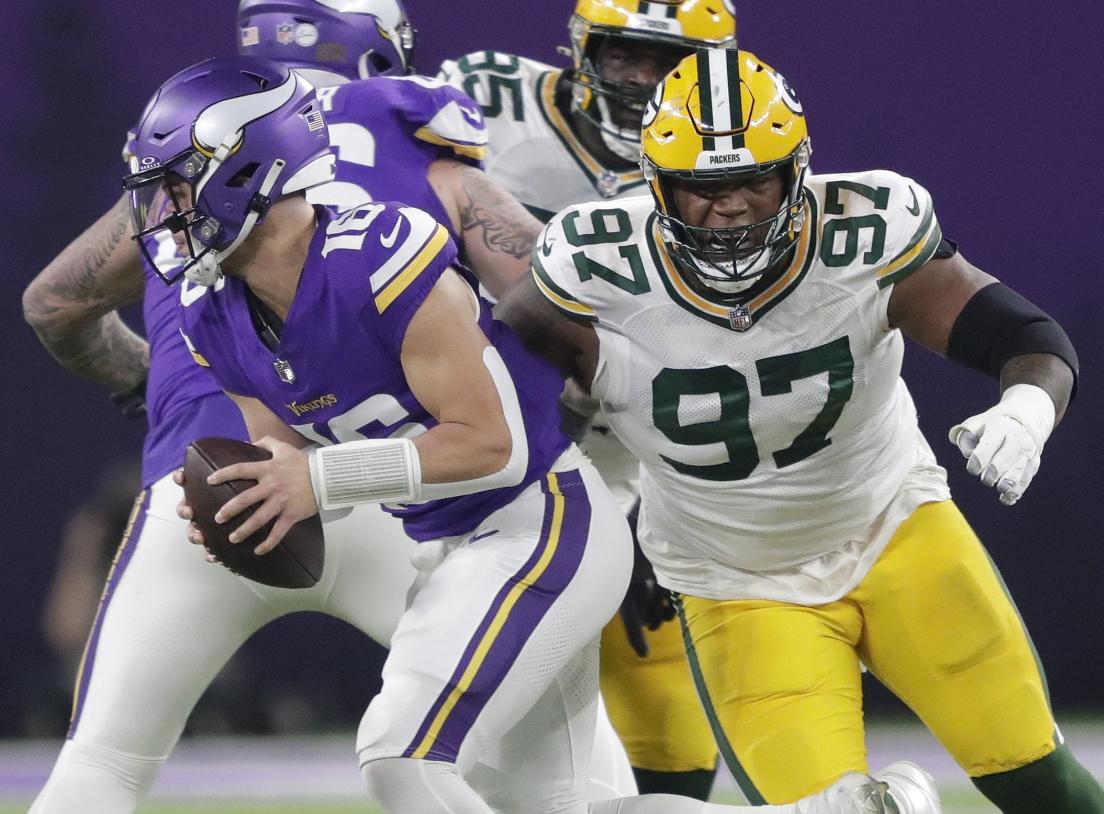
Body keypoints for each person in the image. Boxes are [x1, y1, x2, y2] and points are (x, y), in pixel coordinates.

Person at [143, 54, 881, 814]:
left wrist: (317, 482)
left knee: (402, 759)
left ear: (246, 173)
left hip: (540, 518)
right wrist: (258, 501)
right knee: (558, 808)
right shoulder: (213, 311)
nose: (162, 213)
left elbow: (492, 446)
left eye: (173, 186)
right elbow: (293, 467)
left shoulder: (376, 252)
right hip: (454, 545)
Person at [19, 2, 630, 810]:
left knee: (106, 763)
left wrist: (146, 389)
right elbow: (556, 314)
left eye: (172, 194)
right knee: (542, 785)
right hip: (351, 489)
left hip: (296, 485)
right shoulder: (239, 239)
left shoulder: (323, 223)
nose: (161, 217)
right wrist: (602, 419)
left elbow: (53, 303)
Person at [495, 48, 1104, 814]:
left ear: (797, 170)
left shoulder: (865, 229)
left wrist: (1026, 411)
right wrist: (602, 526)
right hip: (733, 579)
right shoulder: (595, 267)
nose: (732, 206)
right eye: (701, 186)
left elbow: (1023, 334)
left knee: (1038, 780)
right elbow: (505, 400)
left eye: (755, 177)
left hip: (897, 529)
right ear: (657, 184)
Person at [439, 1, 735, 797]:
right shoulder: (485, 100)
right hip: (476, 434)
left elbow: (726, 351)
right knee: (474, 693)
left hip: (626, 448)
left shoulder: (735, 162)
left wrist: (658, 515)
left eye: (665, 62)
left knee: (661, 676)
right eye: (624, 54)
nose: (642, 80)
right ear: (581, 49)